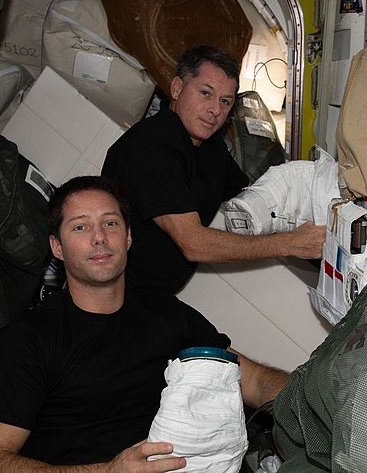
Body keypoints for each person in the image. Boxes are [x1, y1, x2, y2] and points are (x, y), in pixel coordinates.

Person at [0, 176, 289, 472]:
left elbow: (255, 381)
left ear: (128, 236)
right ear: (57, 246)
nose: (99, 238)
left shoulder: (169, 316)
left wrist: (313, 403)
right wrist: (109, 471)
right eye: (80, 227)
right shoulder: (26, 342)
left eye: (110, 223)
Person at [101, 45, 326, 298]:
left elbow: (249, 198)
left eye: (225, 101)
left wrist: (311, 220)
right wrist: (289, 243)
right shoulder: (150, 149)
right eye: (206, 93)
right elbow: (193, 243)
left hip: (156, 296)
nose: (215, 110)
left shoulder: (210, 148)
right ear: (177, 88)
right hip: (118, 297)